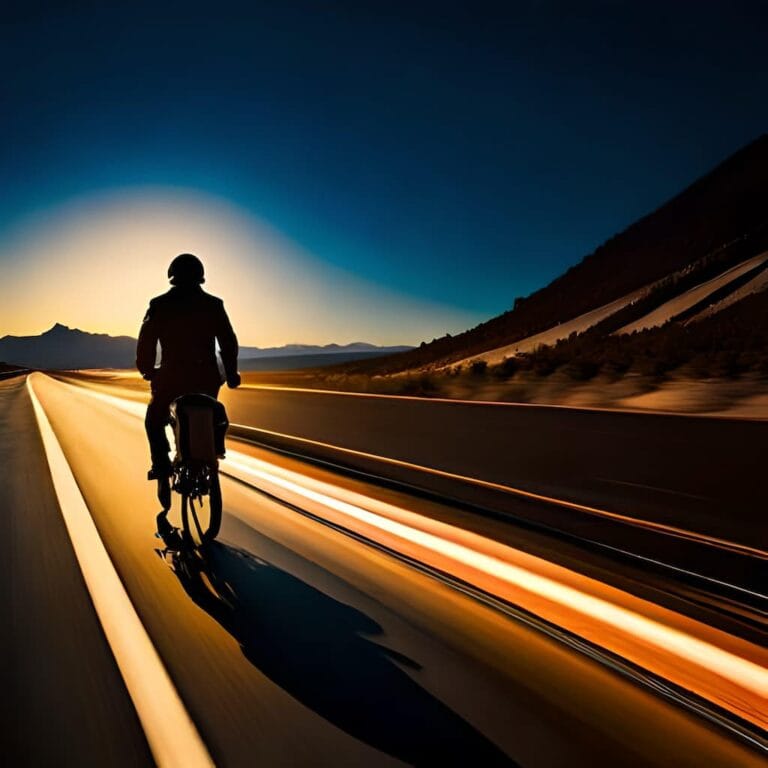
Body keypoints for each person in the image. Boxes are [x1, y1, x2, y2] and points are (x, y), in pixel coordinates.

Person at [136, 253, 240, 509]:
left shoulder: (159, 304)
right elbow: (228, 341)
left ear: (173, 276)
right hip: (206, 378)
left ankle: (161, 471)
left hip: (171, 378)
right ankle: (213, 454)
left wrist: (148, 370)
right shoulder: (214, 304)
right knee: (214, 413)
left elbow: (146, 342)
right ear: (200, 276)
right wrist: (232, 372)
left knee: (154, 420)